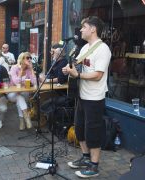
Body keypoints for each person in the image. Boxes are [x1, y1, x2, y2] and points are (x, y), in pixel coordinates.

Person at [62, 16, 111, 178]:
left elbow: (97, 75)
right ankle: (85, 157)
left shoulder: (103, 49)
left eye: (84, 27)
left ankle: (94, 166)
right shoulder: (84, 48)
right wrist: (68, 68)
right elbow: (76, 64)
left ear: (93, 29)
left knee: (93, 131)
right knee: (80, 128)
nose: (81, 30)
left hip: (94, 98)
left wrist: (78, 75)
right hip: (82, 95)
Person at [8, 52, 35, 130]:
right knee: (19, 97)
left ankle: (22, 122)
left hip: (23, 93)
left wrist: (31, 69)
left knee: (20, 98)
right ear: (22, 59)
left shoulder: (29, 69)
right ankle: (26, 117)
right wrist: (22, 70)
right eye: (27, 58)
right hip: (12, 93)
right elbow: (16, 82)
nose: (29, 60)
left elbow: (34, 83)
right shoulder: (14, 68)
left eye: (30, 58)